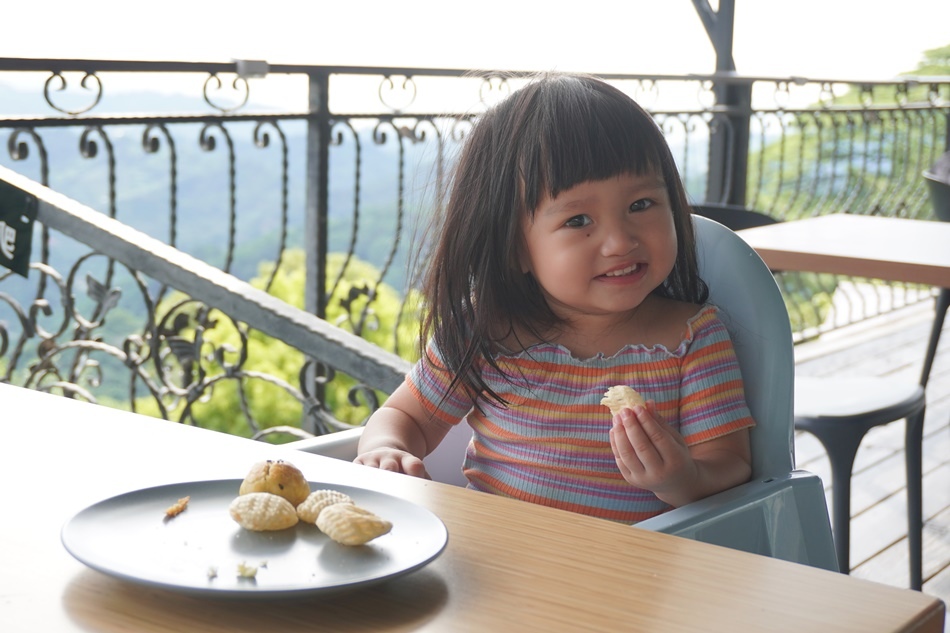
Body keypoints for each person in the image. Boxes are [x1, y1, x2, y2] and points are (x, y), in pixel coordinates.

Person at [354, 72, 754, 523]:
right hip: (493, 563)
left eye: (641, 204)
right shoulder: (486, 331)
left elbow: (731, 464)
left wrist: (681, 479)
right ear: (514, 247)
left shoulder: (690, 340)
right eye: (579, 219)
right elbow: (406, 417)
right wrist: (385, 450)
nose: (619, 240)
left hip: (633, 581)